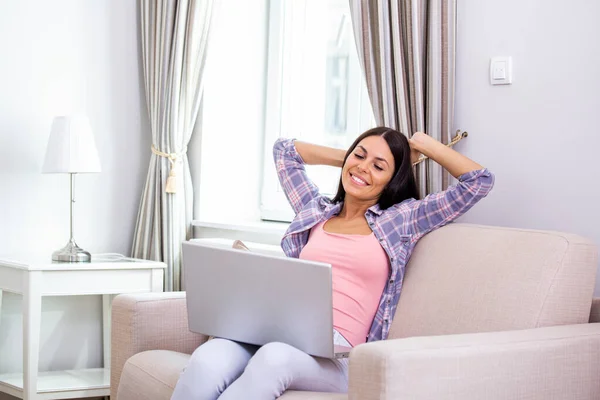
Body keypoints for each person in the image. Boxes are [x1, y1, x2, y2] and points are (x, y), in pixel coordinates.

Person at [171, 127, 494, 400]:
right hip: (275, 331)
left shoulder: (402, 219)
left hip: (338, 356)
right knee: (209, 358)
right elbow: (285, 151)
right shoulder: (316, 211)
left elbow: (479, 181)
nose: (364, 168)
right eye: (360, 155)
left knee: (273, 358)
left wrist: (424, 146)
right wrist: (353, 160)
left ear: (393, 180)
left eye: (379, 167)